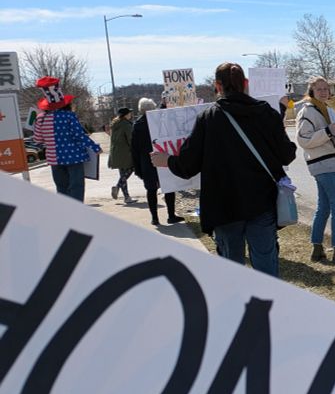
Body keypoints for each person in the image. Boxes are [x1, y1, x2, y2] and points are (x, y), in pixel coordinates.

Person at [151, 62, 296, 276]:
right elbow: (287, 154)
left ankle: (236, 307)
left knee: (232, 272)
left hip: (223, 207)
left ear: (217, 86)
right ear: (245, 83)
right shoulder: (267, 113)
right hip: (262, 203)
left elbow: (188, 165)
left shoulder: (209, 118)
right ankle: (269, 308)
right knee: (266, 270)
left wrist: (167, 160)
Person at [296, 76, 335, 263]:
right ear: (311, 90)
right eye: (319, 89)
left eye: (326, 88)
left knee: (325, 207)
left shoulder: (324, 109)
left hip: (327, 162)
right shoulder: (308, 111)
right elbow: (304, 139)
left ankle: (317, 248)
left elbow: (330, 132)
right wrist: (328, 131)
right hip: (324, 164)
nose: (323, 92)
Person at [32, 76, 101, 201]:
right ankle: (77, 213)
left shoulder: (40, 118)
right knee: (76, 187)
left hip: (54, 159)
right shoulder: (69, 116)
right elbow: (79, 135)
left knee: (61, 188)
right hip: (73, 157)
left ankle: (65, 213)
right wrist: (95, 147)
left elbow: (38, 139)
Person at [132, 97, 184, 226]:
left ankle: (154, 218)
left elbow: (134, 149)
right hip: (162, 157)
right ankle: (171, 215)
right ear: (153, 109)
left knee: (151, 190)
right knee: (169, 188)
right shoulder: (159, 122)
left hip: (146, 161)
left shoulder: (137, 125)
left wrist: (137, 168)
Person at [108, 107, 136, 203]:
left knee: (122, 173)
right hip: (125, 152)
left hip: (116, 152)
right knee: (132, 168)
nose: (130, 115)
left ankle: (127, 197)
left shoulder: (114, 124)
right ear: (125, 115)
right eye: (129, 113)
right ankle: (117, 186)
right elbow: (131, 139)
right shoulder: (126, 125)